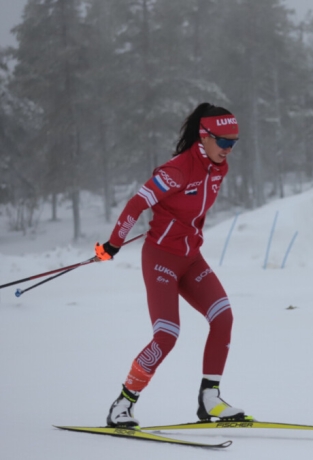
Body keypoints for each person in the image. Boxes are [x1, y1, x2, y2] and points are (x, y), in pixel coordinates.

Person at [94, 103, 251, 428]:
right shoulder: (176, 170)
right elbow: (137, 204)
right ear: (204, 136)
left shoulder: (220, 168)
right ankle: (122, 405)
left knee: (223, 317)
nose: (229, 149)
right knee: (167, 335)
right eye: (223, 142)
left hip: (191, 258)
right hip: (161, 259)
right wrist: (113, 244)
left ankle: (210, 399)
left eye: (234, 142)